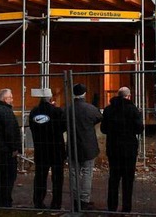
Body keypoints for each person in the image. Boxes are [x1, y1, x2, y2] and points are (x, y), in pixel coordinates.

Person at [101, 86, 144, 213]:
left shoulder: (109, 110)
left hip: (113, 147)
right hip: (129, 148)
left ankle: (112, 206)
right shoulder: (133, 110)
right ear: (129, 96)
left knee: (113, 178)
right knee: (128, 179)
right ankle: (126, 207)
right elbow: (139, 129)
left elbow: (103, 129)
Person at [67, 83, 102, 211]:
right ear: (85, 94)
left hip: (72, 145)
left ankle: (75, 200)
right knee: (87, 173)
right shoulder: (90, 108)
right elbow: (98, 118)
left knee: (74, 173)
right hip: (88, 146)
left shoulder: (69, 109)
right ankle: (84, 199)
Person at [29, 87, 66, 209]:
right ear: (50, 98)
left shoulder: (34, 112)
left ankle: (38, 201)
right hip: (56, 149)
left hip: (40, 149)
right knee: (57, 178)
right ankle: (56, 203)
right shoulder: (57, 111)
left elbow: (32, 127)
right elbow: (64, 127)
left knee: (40, 176)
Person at [0, 88, 21, 208]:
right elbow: (10, 133)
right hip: (6, 151)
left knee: (0, 176)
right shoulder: (6, 112)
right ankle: (5, 201)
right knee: (8, 177)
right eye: (11, 97)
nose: (12, 99)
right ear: (5, 99)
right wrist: (14, 148)